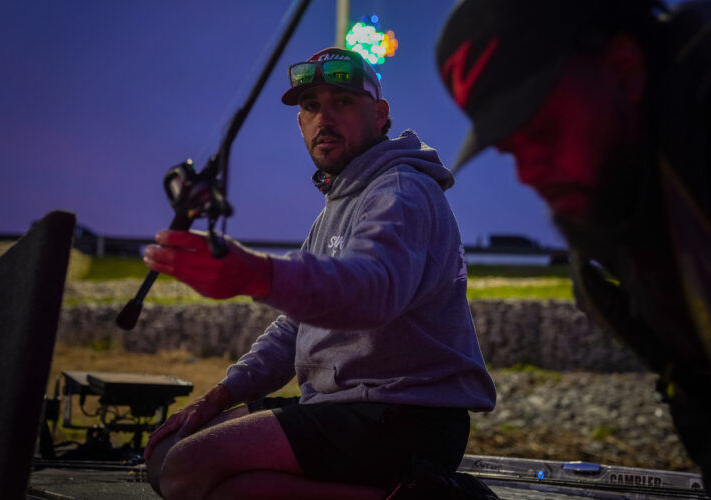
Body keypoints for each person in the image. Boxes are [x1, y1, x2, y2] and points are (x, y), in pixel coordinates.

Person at [142, 47, 497, 500]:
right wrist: (220, 396)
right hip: (340, 406)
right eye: (311, 106)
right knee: (165, 455)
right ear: (300, 123)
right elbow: (296, 328)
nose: (323, 119)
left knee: (189, 469)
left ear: (380, 115)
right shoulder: (338, 205)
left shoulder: (401, 190)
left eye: (342, 102)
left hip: (406, 413)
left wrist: (255, 274)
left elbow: (371, 291)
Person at [436, 0, 711, 497]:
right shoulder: (610, 247)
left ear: (624, 69)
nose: (528, 173)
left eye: (544, 132)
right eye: (511, 149)